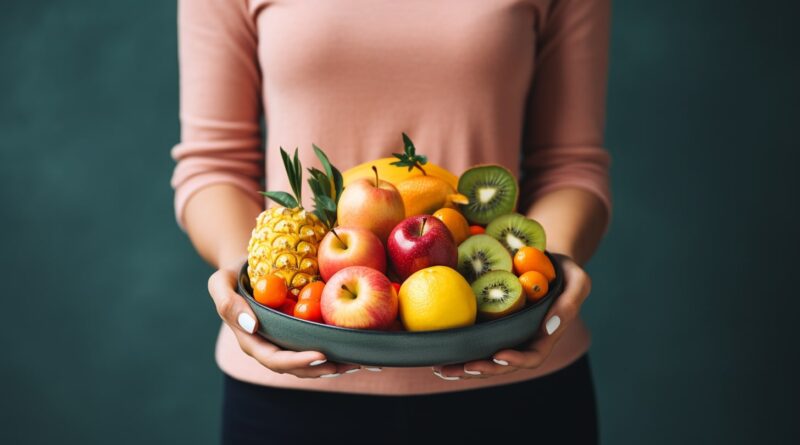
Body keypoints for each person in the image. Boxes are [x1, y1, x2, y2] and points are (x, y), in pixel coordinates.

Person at [170, 0, 611, 443]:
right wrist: (252, 285)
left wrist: (549, 268)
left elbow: (569, 167)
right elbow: (214, 164)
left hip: (514, 377)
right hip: (292, 383)